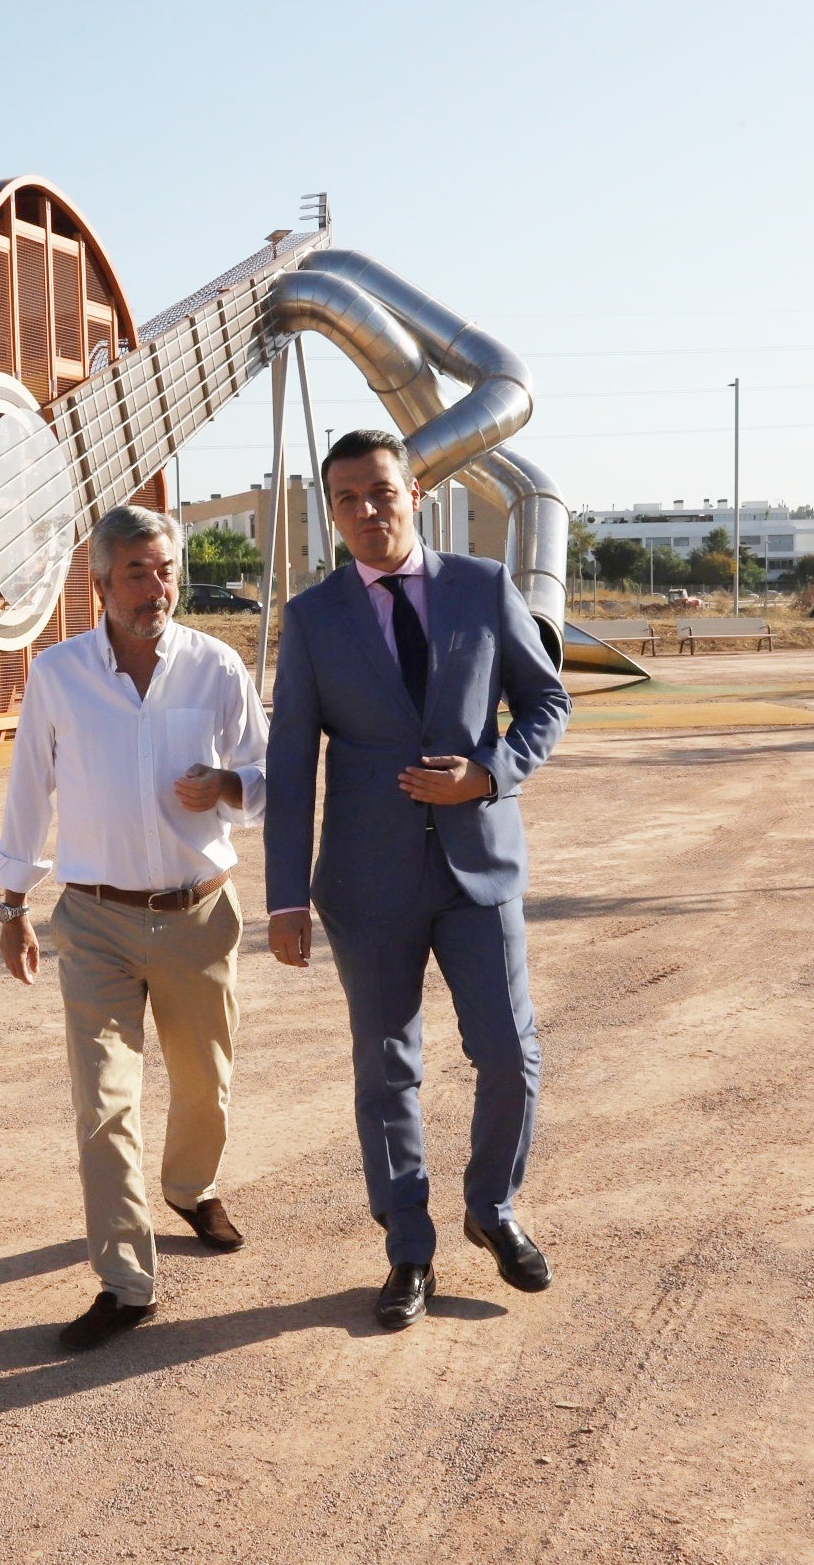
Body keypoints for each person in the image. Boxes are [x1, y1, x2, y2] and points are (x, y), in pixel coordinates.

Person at [266, 429, 573, 1331]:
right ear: (332, 514)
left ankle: (492, 1207)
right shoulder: (313, 618)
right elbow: (292, 764)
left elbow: (546, 700)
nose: (368, 510)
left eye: (382, 491)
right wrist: (285, 897)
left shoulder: (483, 585)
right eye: (348, 499)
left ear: (415, 494)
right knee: (387, 1068)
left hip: (480, 870)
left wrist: (491, 774)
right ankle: (408, 1248)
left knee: (509, 1053)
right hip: (366, 884)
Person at [0, 504, 269, 1352]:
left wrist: (227, 785)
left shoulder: (216, 667)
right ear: (102, 585)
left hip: (199, 915)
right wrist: (12, 904)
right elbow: (29, 790)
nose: (156, 587)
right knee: (105, 1104)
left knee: (204, 1084)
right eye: (138, 572)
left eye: (165, 570)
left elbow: (267, 774)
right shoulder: (59, 674)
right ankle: (125, 1281)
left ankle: (190, 1187)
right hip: (95, 922)